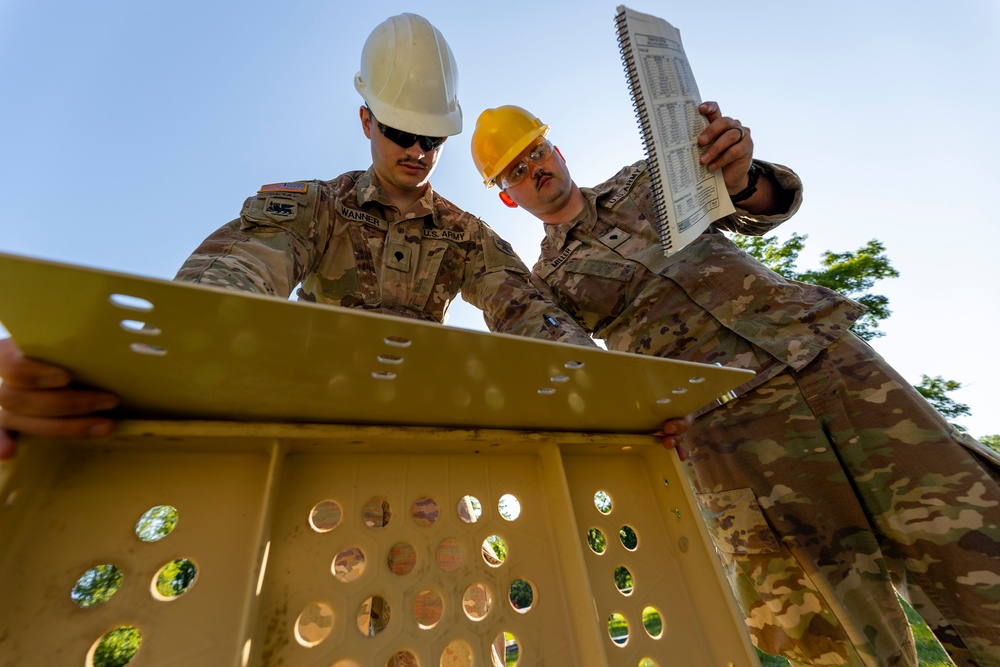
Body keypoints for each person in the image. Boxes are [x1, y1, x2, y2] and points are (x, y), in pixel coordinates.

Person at [0, 14, 693, 460]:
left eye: (431, 137)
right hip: (313, 436)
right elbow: (233, 279)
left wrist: (618, 404)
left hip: (431, 441)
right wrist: (108, 362)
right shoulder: (315, 209)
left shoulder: (465, 236)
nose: (417, 151)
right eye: (401, 132)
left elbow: (533, 317)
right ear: (368, 122)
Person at [471, 103, 1000, 667]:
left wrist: (742, 176)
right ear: (508, 195)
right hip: (729, 429)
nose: (535, 169)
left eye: (537, 152)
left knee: (974, 541)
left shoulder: (645, 179)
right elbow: (583, 371)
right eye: (516, 171)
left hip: (824, 363)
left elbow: (759, 207)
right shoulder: (545, 284)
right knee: (831, 628)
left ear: (558, 151)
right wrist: (642, 416)